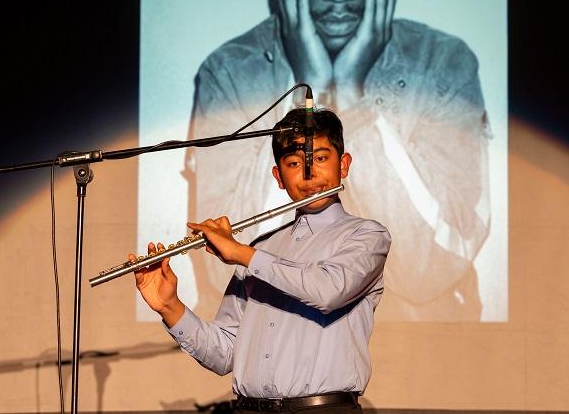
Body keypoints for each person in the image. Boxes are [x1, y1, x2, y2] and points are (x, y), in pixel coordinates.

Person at [183, 0, 491, 320]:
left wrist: (350, 97)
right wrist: (306, 90)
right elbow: (225, 272)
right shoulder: (229, 74)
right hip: (281, 364)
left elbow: (437, 267)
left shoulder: (445, 63)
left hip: (425, 363)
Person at [135, 108, 390, 413]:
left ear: (343, 165)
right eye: (294, 164)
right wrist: (169, 306)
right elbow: (224, 354)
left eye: (321, 158)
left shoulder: (367, 235)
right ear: (279, 177)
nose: (309, 174)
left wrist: (241, 253)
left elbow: (328, 290)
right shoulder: (262, 248)